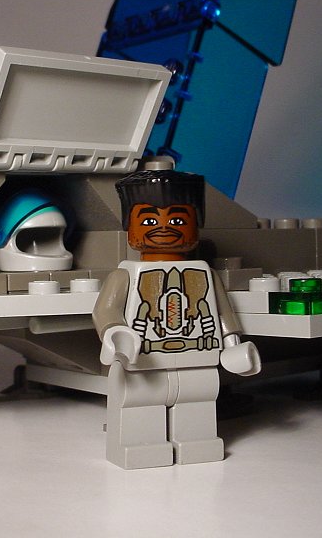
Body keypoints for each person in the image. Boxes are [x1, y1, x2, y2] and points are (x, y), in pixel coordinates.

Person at [93, 167, 261, 469]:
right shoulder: (125, 275)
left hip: (198, 355)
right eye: (148, 221)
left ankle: (197, 442)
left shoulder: (205, 274)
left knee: (198, 400)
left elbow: (223, 312)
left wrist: (232, 343)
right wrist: (115, 331)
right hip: (142, 359)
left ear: (196, 226)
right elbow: (105, 309)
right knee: (140, 402)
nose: (163, 227)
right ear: (129, 228)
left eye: (178, 220)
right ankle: (139, 446)